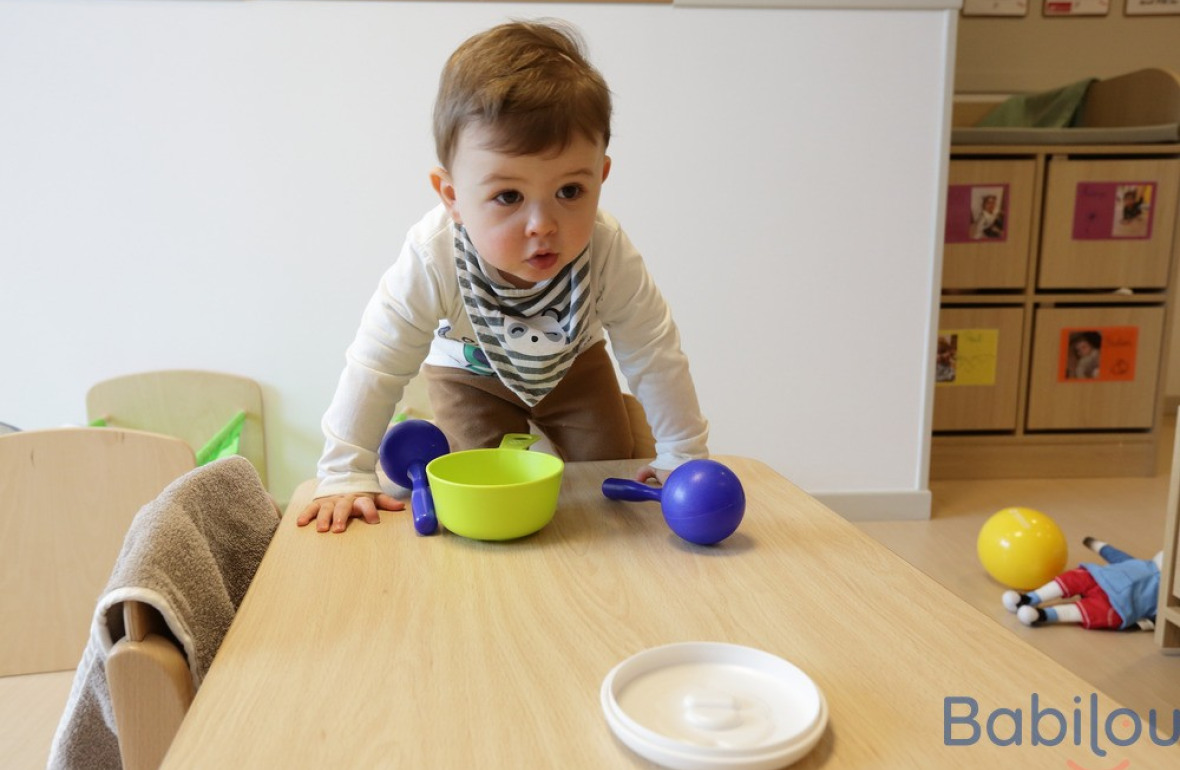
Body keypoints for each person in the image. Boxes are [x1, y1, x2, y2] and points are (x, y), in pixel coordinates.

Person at [298, 20, 709, 533]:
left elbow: (653, 350)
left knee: (606, 470)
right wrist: (344, 472)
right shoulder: (433, 255)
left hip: (574, 367)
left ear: (600, 177)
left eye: (570, 191)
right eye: (508, 197)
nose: (543, 225)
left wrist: (681, 452)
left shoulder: (605, 250)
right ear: (452, 197)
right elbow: (376, 362)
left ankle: (621, 446)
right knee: (478, 489)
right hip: (467, 375)